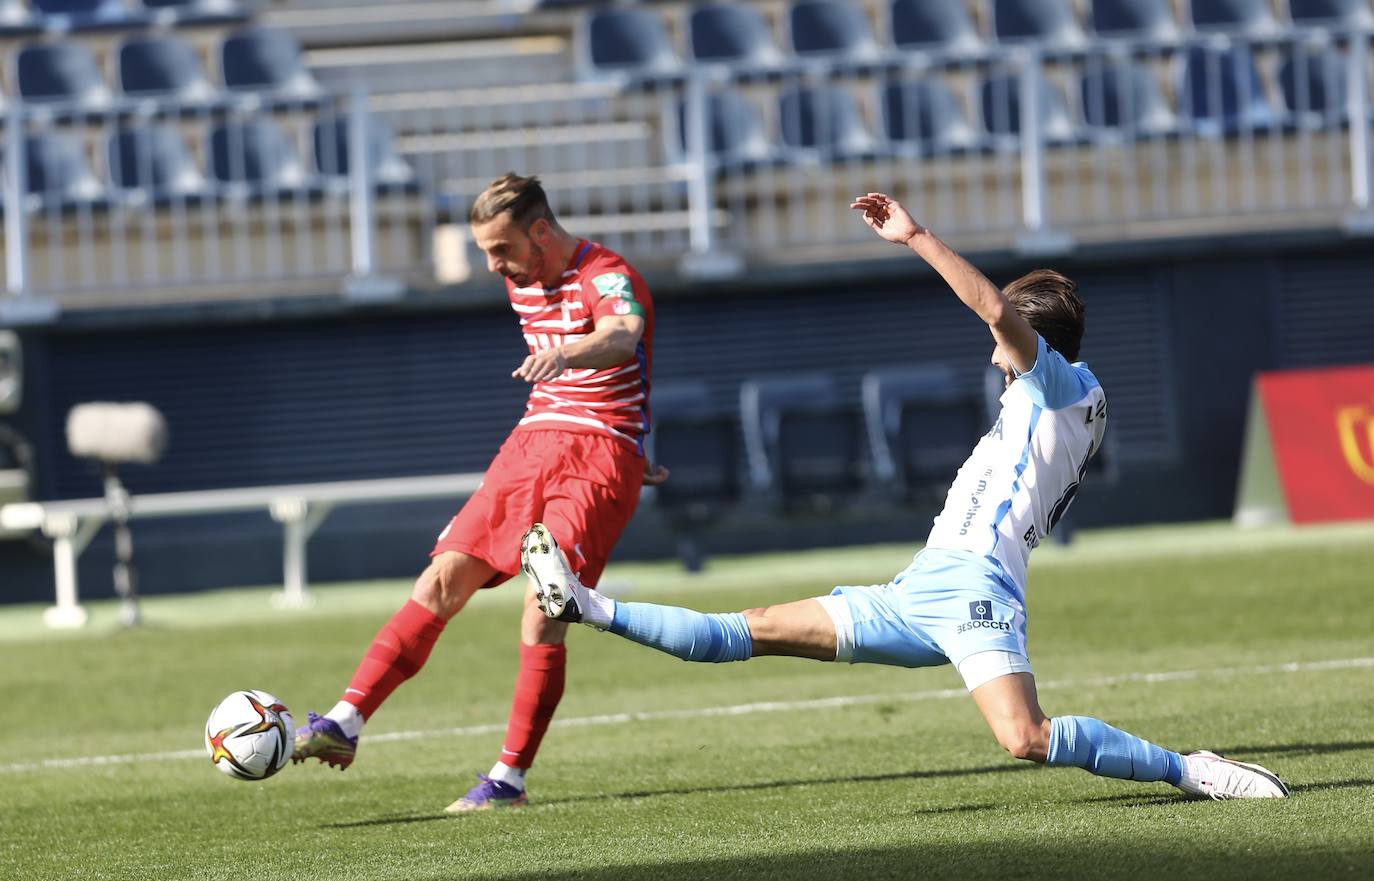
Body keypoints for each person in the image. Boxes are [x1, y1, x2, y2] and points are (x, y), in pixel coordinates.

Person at [519, 192, 1289, 801]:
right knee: (750, 628)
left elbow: (994, 310)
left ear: (1033, 337)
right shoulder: (1047, 398)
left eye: (1011, 335)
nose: (994, 349)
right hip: (921, 585)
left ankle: (1191, 769)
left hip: (976, 589)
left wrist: (916, 237)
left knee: (1024, 736)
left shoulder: (1061, 386)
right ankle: (584, 605)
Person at [292, 173, 667, 812]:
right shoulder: (519, 276)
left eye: (500, 249)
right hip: (531, 444)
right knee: (441, 578)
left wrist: (575, 362)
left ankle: (508, 780)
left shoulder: (606, 272)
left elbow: (623, 334)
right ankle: (345, 722)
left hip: (598, 451)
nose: (492, 265)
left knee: (546, 608)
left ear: (541, 232)